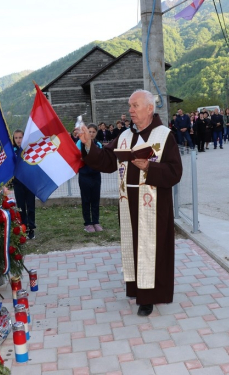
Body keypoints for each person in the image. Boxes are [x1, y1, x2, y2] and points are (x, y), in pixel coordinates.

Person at [78, 89, 182, 316]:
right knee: (134, 246)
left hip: (154, 206)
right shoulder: (125, 136)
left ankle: (150, 298)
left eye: (135, 106)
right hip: (128, 203)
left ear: (149, 109)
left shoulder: (165, 136)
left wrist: (150, 167)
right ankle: (136, 288)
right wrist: (88, 145)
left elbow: (175, 173)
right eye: (130, 106)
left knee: (151, 249)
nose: (130, 110)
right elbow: (106, 161)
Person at [76, 123, 103, 233]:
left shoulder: (98, 144)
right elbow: (77, 156)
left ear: (96, 133)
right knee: (86, 200)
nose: (91, 134)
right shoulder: (80, 142)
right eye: (89, 131)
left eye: (93, 132)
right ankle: (87, 223)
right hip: (84, 176)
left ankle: (96, 222)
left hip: (96, 175)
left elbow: (100, 158)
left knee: (95, 199)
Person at [12, 130, 36, 239]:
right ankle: (23, 227)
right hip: (18, 183)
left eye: (20, 137)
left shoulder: (29, 150)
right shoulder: (12, 151)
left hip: (30, 182)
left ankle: (31, 228)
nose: (18, 140)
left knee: (30, 206)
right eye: (16, 138)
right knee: (21, 207)